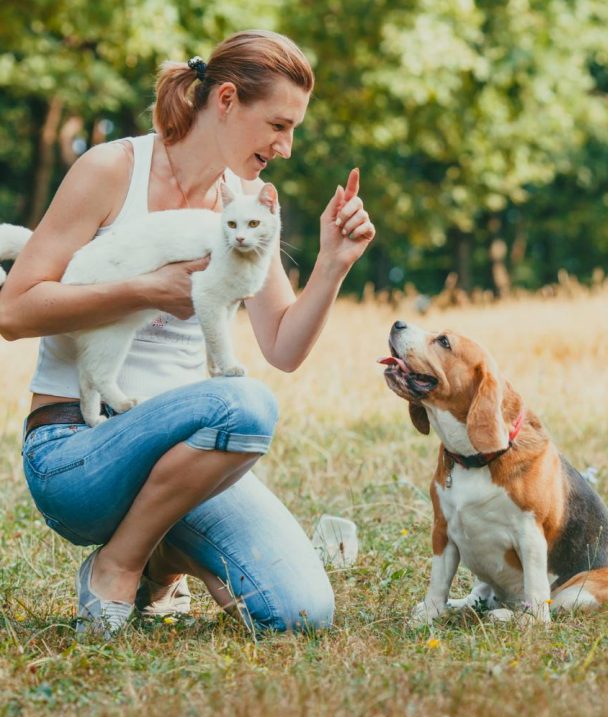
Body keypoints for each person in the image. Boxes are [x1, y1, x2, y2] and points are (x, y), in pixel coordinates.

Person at [0, 29, 376, 636]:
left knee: (300, 612)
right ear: (225, 100)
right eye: (278, 125)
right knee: (245, 404)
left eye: (293, 131)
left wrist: (333, 264)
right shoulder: (111, 169)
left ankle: (160, 560)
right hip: (77, 449)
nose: (286, 147)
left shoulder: (246, 208)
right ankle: (116, 567)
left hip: (185, 462)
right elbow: (12, 312)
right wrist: (148, 290)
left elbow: (281, 346)